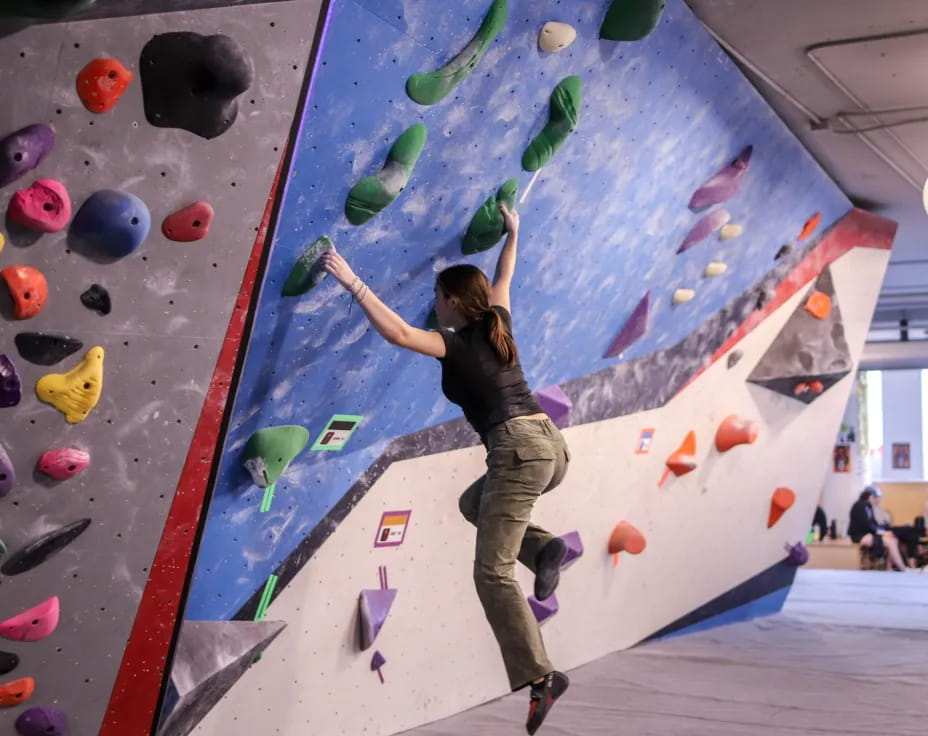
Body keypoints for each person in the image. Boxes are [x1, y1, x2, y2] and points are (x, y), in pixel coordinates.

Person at [321, 204, 571, 734]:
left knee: (492, 573)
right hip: (550, 447)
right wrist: (516, 230)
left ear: (454, 302)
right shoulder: (497, 322)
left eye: (438, 299)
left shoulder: (454, 345)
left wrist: (353, 283)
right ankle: (545, 546)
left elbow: (398, 334)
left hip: (518, 452)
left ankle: (541, 677)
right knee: (471, 504)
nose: (434, 307)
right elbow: (505, 275)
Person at [847, 487, 907, 571]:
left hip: (867, 533)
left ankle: (888, 568)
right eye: (878, 499)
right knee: (890, 542)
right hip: (859, 536)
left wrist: (884, 530)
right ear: (871, 497)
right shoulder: (859, 506)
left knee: (894, 539)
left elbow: (873, 523)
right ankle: (903, 569)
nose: (878, 501)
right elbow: (865, 525)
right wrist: (881, 533)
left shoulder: (868, 507)